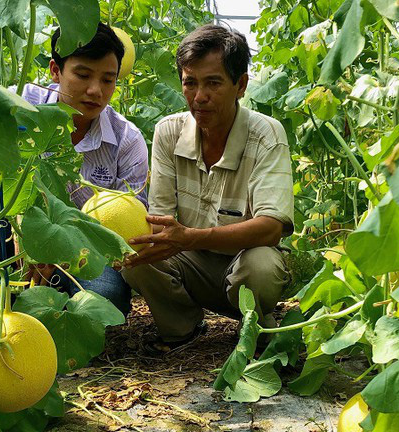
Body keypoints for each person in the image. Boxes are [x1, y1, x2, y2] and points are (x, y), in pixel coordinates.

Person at [121, 24, 293, 354]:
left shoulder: (266, 134)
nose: (199, 96)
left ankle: (253, 320)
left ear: (240, 85)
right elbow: (159, 219)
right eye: (190, 83)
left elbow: (271, 228)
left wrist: (192, 237)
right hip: (191, 263)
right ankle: (182, 329)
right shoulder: (169, 132)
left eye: (213, 83)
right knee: (138, 255)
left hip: (244, 264)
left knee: (261, 267)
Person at [17, 22, 149, 316]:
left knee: (106, 297)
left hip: (85, 252)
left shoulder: (127, 140)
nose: (95, 90)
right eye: (83, 74)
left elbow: (127, 226)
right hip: (18, 236)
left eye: (108, 80)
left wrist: (60, 249)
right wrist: (31, 243)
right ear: (55, 70)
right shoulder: (23, 108)